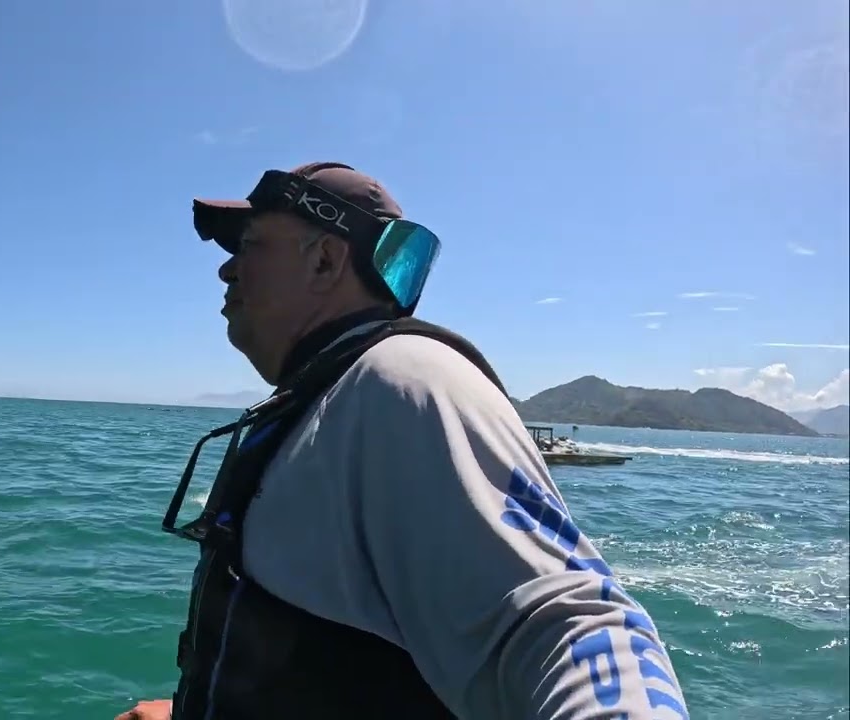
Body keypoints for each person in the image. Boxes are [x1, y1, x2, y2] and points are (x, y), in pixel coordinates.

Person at [115, 162, 689, 720]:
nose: (227, 270)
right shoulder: (331, 395)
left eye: (250, 244)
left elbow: (562, 620)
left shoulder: (402, 377)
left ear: (324, 260)